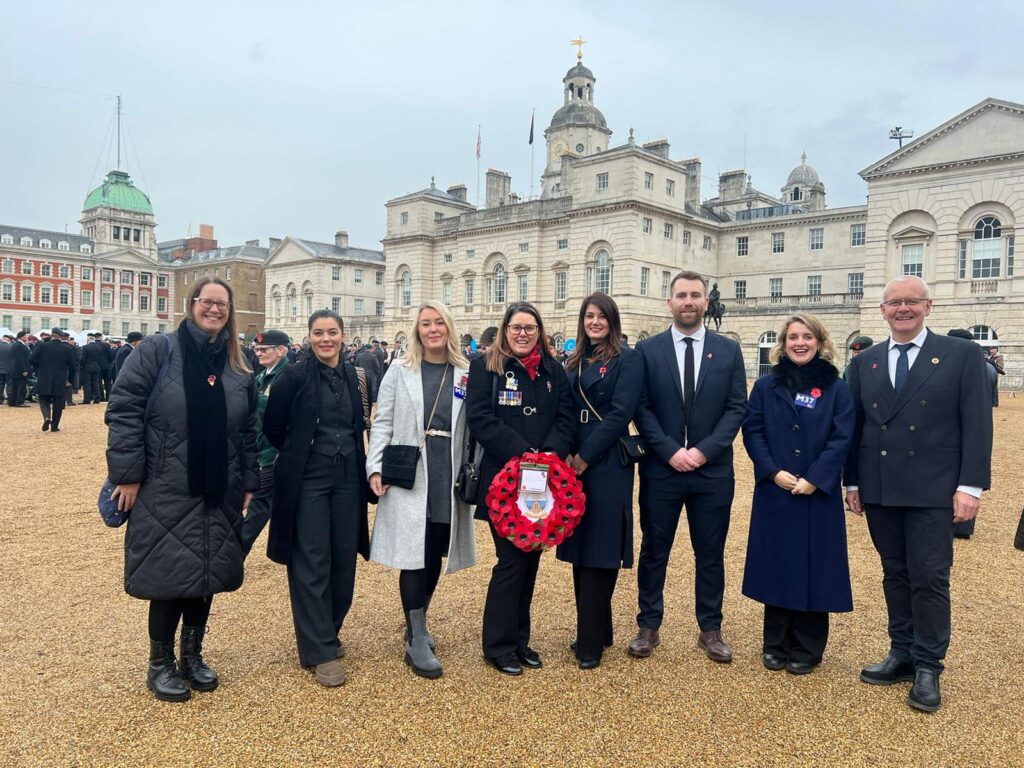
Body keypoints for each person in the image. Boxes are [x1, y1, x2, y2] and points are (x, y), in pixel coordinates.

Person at [105, 276, 259, 702]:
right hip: (166, 482)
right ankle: (160, 663)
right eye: (207, 302)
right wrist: (128, 474)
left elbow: (248, 428)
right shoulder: (158, 350)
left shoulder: (238, 362)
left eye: (222, 305)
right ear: (191, 305)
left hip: (219, 484)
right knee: (169, 573)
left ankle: (192, 656)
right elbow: (124, 411)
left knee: (206, 570)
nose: (215, 310)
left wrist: (248, 479)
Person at [845, 276, 992, 713]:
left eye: (911, 302)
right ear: (882, 311)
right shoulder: (865, 361)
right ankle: (902, 651)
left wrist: (970, 486)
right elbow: (856, 428)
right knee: (895, 572)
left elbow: (977, 424)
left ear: (928, 307)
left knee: (929, 576)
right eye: (894, 303)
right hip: (882, 485)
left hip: (934, 488)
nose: (902, 309)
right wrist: (851, 482)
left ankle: (928, 664)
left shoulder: (960, 354)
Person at [630, 270, 747, 662]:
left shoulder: (728, 350)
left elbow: (736, 408)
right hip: (662, 470)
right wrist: (667, 450)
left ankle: (710, 629)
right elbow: (641, 408)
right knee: (654, 549)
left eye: (695, 295)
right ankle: (648, 625)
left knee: (710, 552)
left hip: (711, 472)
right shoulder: (648, 351)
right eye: (681, 295)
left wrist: (703, 451)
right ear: (670, 302)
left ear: (705, 302)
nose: (689, 301)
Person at [262, 310, 372, 688]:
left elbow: (361, 422)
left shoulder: (356, 375)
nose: (326, 339)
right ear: (308, 337)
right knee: (311, 557)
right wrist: (296, 453)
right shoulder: (294, 375)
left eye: (332, 332)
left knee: (344, 555)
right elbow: (273, 424)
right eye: (318, 333)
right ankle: (317, 649)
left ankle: (329, 628)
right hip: (309, 475)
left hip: (347, 475)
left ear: (343, 335)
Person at [367, 302, 475, 679]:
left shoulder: (465, 371)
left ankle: (418, 621)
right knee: (414, 552)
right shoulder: (400, 369)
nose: (432, 330)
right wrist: (375, 467)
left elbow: (473, 427)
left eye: (438, 323)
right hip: (411, 467)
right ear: (417, 329)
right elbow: (381, 421)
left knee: (436, 550)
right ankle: (415, 638)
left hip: (448, 468)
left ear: (449, 327)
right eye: (425, 324)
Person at [466, 301, 575, 676]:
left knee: (530, 561)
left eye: (530, 328)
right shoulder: (485, 366)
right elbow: (479, 417)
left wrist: (547, 455)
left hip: (542, 481)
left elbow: (565, 418)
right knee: (511, 561)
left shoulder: (554, 370)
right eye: (516, 327)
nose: (523, 333)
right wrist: (521, 453)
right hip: (504, 478)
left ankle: (519, 640)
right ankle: (497, 645)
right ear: (505, 330)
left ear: (539, 332)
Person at [741, 314, 855, 675]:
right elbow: (753, 431)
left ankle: (807, 644)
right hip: (776, 490)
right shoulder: (765, 386)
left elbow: (842, 437)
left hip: (816, 494)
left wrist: (817, 477)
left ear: (820, 342)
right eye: (793, 337)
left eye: (807, 336)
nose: (800, 343)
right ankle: (775, 642)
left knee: (815, 567)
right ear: (783, 343)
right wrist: (772, 472)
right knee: (777, 565)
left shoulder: (836, 388)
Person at [558, 293, 643, 669]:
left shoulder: (627, 358)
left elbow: (621, 412)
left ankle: (590, 641)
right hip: (573, 459)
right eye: (589, 316)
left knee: (600, 548)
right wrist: (563, 453)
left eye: (601, 316)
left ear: (612, 320)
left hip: (605, 460)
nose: (594, 322)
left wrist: (585, 456)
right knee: (580, 546)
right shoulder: (575, 360)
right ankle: (599, 627)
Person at [240, 329, 292, 557]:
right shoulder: (263, 376)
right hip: (262, 449)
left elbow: (278, 411)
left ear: (281, 350)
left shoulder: (287, 375)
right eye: (256, 349)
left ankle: (235, 553)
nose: (258, 353)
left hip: (277, 452)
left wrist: (251, 397)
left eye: (263, 349)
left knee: (259, 505)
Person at [30, 328, 77, 432]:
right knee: (58, 403)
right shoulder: (68, 348)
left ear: (51, 335)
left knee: (43, 399)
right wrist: (70, 380)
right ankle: (54, 426)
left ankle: (47, 417)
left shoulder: (42, 346)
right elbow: (73, 366)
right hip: (60, 378)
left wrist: (39, 367)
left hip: (44, 376)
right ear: (61, 336)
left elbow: (31, 359)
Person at [8, 330, 31, 406]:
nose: (27, 337)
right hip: (19, 370)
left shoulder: (15, 345)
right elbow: (20, 359)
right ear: (22, 337)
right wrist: (24, 369)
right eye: (26, 336)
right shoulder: (19, 346)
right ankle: (20, 401)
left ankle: (12, 401)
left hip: (15, 369)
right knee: (21, 387)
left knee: (14, 386)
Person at [80, 333, 104, 404]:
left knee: (87, 384)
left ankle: (87, 399)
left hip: (87, 367)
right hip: (96, 367)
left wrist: (82, 365)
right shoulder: (99, 347)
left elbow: (83, 358)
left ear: (88, 339)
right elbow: (100, 358)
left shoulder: (85, 347)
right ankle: (97, 398)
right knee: (96, 383)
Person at [0, 333, 13, 405]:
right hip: (9, 369)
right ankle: (10, 399)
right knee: (9, 384)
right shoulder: (11, 346)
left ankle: (0, 399)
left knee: (0, 384)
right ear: (8, 340)